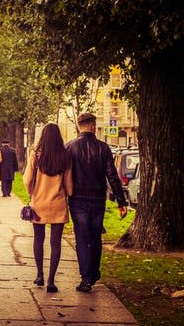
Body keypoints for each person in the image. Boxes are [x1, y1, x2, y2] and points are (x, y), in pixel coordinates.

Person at [66, 113, 128, 293]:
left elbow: (64, 174)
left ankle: (86, 278)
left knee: (82, 238)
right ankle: (94, 272)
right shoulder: (103, 148)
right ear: (93, 126)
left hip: (77, 199)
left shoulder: (69, 147)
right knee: (95, 237)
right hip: (98, 199)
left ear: (79, 126)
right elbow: (112, 176)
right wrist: (121, 201)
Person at [23, 123, 73, 293]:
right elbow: (69, 186)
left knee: (38, 239)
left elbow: (27, 180)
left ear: (43, 136)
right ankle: (51, 281)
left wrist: (32, 193)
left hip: (39, 203)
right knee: (56, 243)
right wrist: (64, 194)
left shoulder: (35, 155)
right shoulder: (65, 156)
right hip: (58, 204)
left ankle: (39, 275)